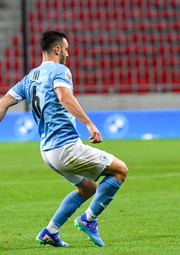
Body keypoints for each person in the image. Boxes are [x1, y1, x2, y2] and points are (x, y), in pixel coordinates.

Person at [0, 31, 128, 247]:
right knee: (120, 170)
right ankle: (89, 220)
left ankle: (50, 231)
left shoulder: (30, 76)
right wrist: (89, 123)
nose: (68, 54)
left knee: (88, 188)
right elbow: (64, 96)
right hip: (66, 146)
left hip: (47, 152)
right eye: (66, 49)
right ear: (57, 49)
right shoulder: (60, 71)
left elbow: (3, 102)